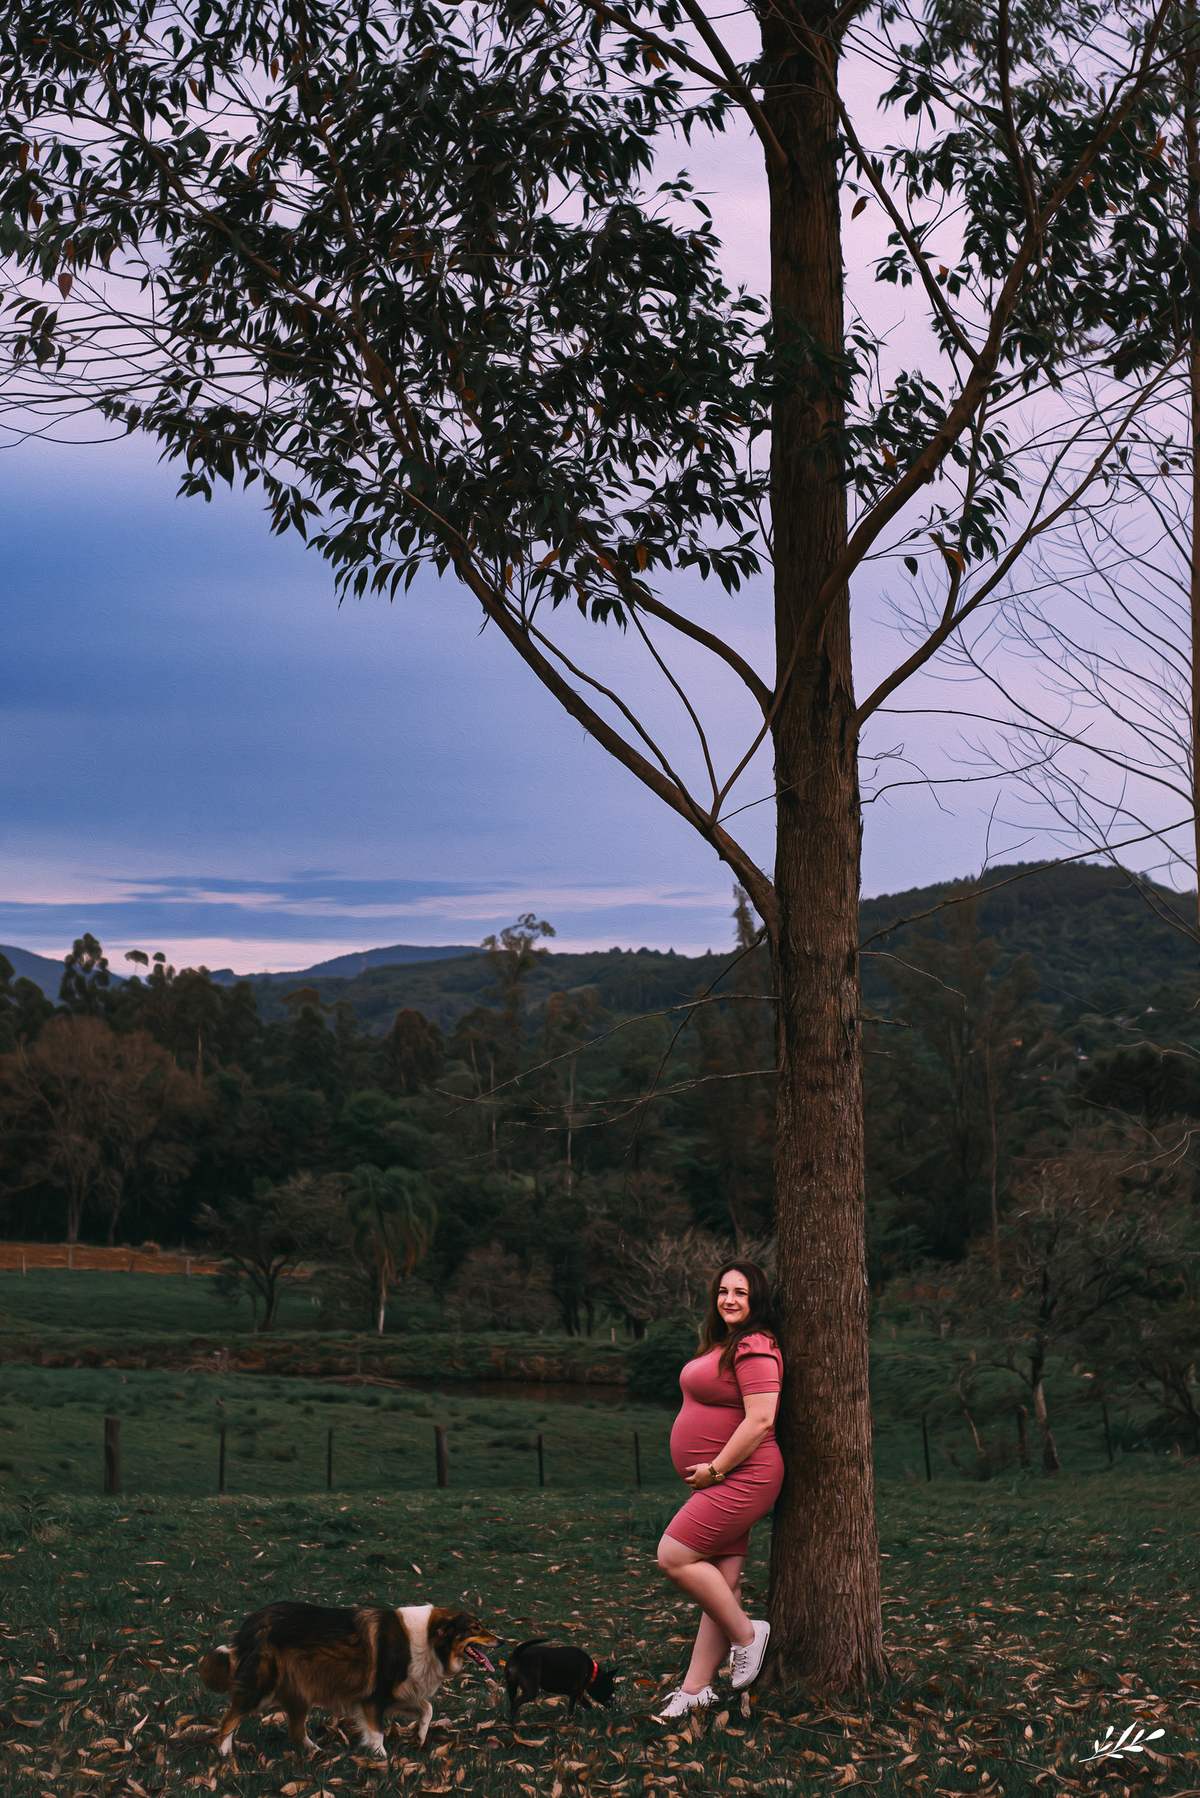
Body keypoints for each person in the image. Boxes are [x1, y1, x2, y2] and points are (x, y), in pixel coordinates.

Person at [652, 1260, 783, 1721]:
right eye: (724, 1291)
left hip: (743, 1476)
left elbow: (762, 1418)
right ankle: (695, 1690)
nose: (729, 1299)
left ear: (757, 1300)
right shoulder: (728, 1344)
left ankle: (749, 1636)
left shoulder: (756, 1345)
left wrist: (715, 1469)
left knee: (674, 1556)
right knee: (720, 1583)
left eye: (741, 1293)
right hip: (723, 1477)